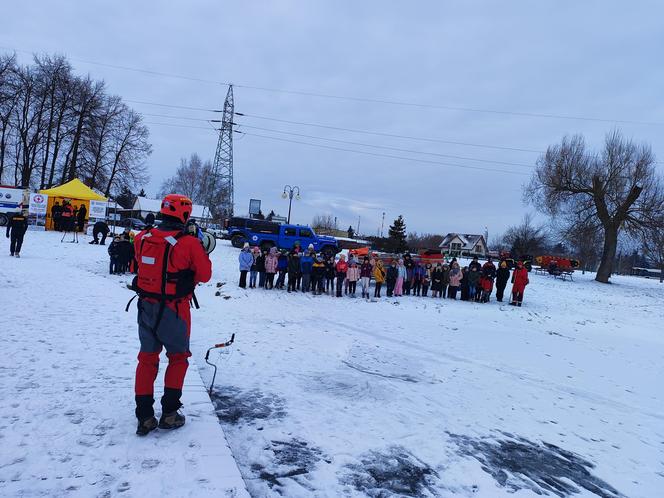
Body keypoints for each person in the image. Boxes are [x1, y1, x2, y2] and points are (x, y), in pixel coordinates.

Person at [133, 194, 212, 435]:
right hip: (174, 309)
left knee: (147, 358)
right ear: (185, 214)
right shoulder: (188, 243)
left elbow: (137, 264)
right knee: (178, 358)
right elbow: (205, 274)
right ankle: (169, 413)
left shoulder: (142, 237)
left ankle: (145, 416)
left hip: (146, 306)